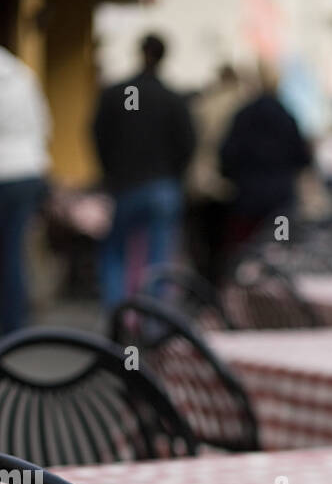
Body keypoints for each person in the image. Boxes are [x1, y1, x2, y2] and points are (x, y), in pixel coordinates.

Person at [92, 34, 195, 310]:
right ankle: (155, 320)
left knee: (115, 254)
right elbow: (188, 143)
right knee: (159, 258)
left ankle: (117, 319)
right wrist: (173, 174)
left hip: (126, 184)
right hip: (162, 185)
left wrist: (111, 171)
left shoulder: (115, 93)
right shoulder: (173, 98)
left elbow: (99, 136)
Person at [219, 64, 312, 248]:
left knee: (245, 252)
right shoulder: (288, 117)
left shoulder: (243, 115)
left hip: (247, 199)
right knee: (280, 248)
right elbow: (303, 158)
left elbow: (227, 155)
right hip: (281, 202)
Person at [0, 47, 51, 334]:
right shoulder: (22, 75)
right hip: (28, 170)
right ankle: (14, 325)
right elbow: (44, 124)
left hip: (5, 170)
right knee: (14, 249)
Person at [186, 64, 249, 281]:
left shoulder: (203, 103)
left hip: (201, 182)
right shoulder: (243, 104)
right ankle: (222, 290)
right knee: (228, 243)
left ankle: (204, 288)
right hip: (230, 183)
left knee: (205, 241)